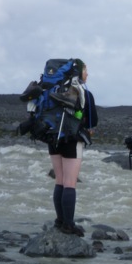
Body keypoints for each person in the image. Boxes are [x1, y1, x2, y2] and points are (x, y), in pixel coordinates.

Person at [50, 59, 98, 237]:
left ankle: (60, 221)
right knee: (70, 182)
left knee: (59, 180)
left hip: (52, 137)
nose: (88, 74)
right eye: (86, 71)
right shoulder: (83, 91)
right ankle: (69, 225)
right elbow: (93, 120)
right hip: (72, 138)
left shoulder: (54, 89)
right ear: (79, 73)